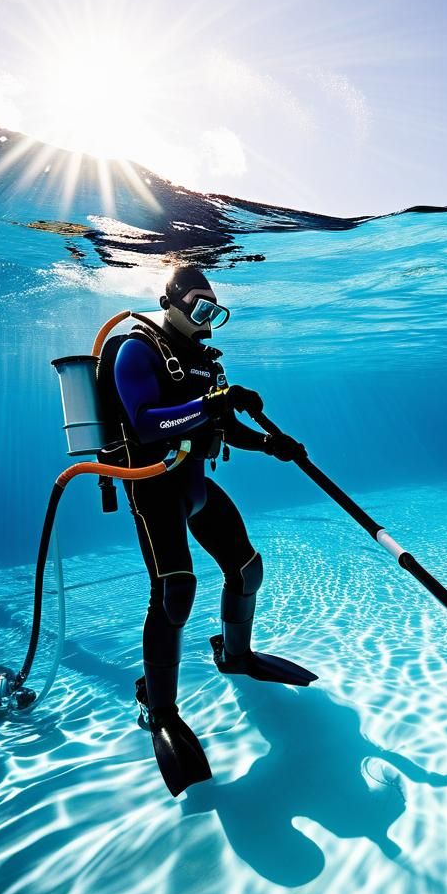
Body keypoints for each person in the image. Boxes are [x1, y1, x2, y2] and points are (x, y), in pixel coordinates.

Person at [113, 264, 317, 796]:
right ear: (170, 302)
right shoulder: (137, 349)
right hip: (154, 486)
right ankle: (158, 709)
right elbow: (146, 423)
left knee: (247, 569)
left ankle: (234, 654)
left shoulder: (205, 362)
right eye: (200, 308)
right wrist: (211, 404)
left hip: (194, 485)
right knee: (175, 593)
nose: (208, 321)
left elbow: (223, 428)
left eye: (215, 311)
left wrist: (272, 444)